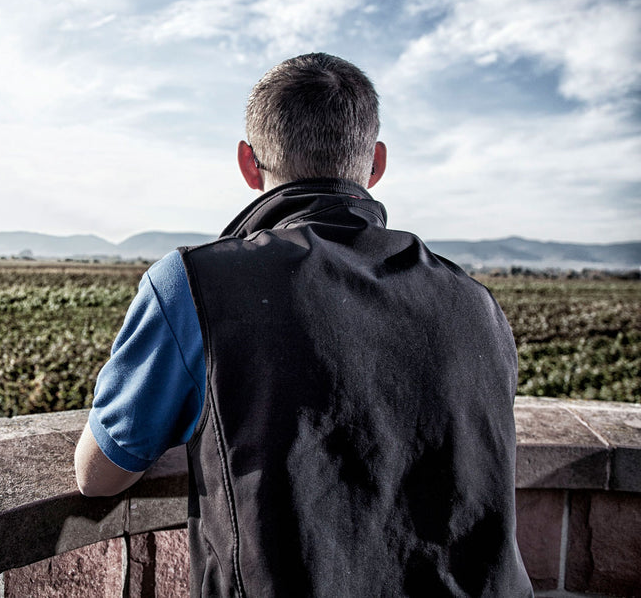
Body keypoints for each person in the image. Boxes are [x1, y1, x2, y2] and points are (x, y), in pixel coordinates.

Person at [74, 53, 533, 596]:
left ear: (249, 164)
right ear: (376, 164)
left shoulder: (193, 283)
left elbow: (100, 473)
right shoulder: (476, 301)